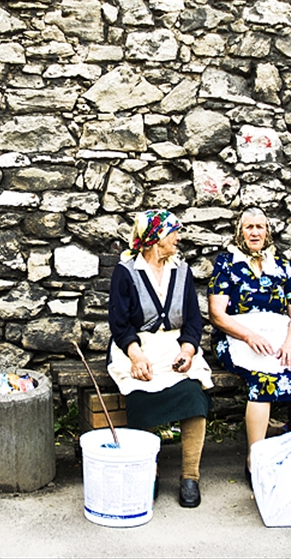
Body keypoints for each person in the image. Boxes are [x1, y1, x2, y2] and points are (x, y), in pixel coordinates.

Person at [208, 207, 291, 484]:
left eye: (260, 227)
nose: (255, 232)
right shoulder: (227, 262)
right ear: (240, 231)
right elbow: (217, 314)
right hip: (237, 335)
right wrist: (249, 336)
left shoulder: (280, 264)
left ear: (268, 231)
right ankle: (254, 458)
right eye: (249, 227)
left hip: (279, 334)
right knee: (263, 378)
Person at [107, 210, 213, 508]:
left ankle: (190, 476)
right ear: (155, 239)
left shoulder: (181, 271)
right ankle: (148, 472)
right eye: (173, 233)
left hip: (174, 345)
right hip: (136, 345)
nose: (178, 238)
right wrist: (135, 354)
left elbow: (193, 319)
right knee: (141, 393)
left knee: (194, 393)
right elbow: (119, 323)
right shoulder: (126, 272)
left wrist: (188, 349)